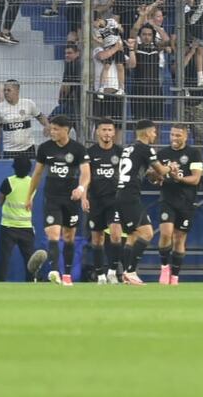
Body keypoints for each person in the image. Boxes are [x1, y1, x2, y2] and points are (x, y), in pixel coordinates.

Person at [25, 114, 90, 286]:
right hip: (52, 198)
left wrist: (81, 189)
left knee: (69, 237)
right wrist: (29, 196)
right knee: (53, 234)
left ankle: (67, 275)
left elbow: (86, 173)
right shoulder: (45, 148)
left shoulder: (78, 149)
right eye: (51, 128)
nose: (51, 132)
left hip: (71, 199)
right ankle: (54, 270)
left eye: (55, 129)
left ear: (66, 130)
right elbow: (37, 174)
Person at [113, 119, 175, 285]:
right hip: (130, 195)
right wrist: (171, 167)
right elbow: (161, 170)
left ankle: (126, 275)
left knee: (133, 235)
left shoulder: (129, 149)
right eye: (154, 132)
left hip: (121, 194)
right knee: (147, 233)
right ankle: (131, 271)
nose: (155, 135)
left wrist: (151, 175)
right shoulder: (146, 149)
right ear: (147, 133)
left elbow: (139, 170)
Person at [153, 124, 203, 286]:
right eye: (172, 135)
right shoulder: (163, 154)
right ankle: (164, 267)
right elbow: (154, 176)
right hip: (168, 199)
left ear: (185, 136)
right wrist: (156, 176)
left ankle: (175, 276)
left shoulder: (194, 154)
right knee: (166, 233)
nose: (174, 138)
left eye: (178, 135)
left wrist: (178, 178)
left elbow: (195, 179)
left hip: (187, 202)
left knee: (179, 238)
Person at [84, 118, 123, 284]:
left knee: (116, 235)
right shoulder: (90, 153)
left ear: (114, 133)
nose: (107, 133)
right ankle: (100, 275)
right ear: (97, 132)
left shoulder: (120, 152)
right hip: (96, 200)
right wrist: (84, 196)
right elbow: (85, 177)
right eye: (104, 130)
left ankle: (113, 271)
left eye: (109, 130)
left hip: (114, 200)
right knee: (97, 238)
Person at [0, 156, 43, 282]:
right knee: (29, 259)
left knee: (4, 258)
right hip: (26, 227)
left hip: (8, 226)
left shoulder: (8, 181)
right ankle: (32, 281)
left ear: (14, 168)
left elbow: (0, 200)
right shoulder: (33, 182)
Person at [0, 79, 48, 158]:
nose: (6, 92)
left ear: (17, 91)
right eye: (4, 90)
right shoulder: (0, 107)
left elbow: (40, 116)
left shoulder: (28, 103)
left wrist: (47, 125)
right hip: (9, 150)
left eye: (9, 90)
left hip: (28, 148)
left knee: (30, 170)